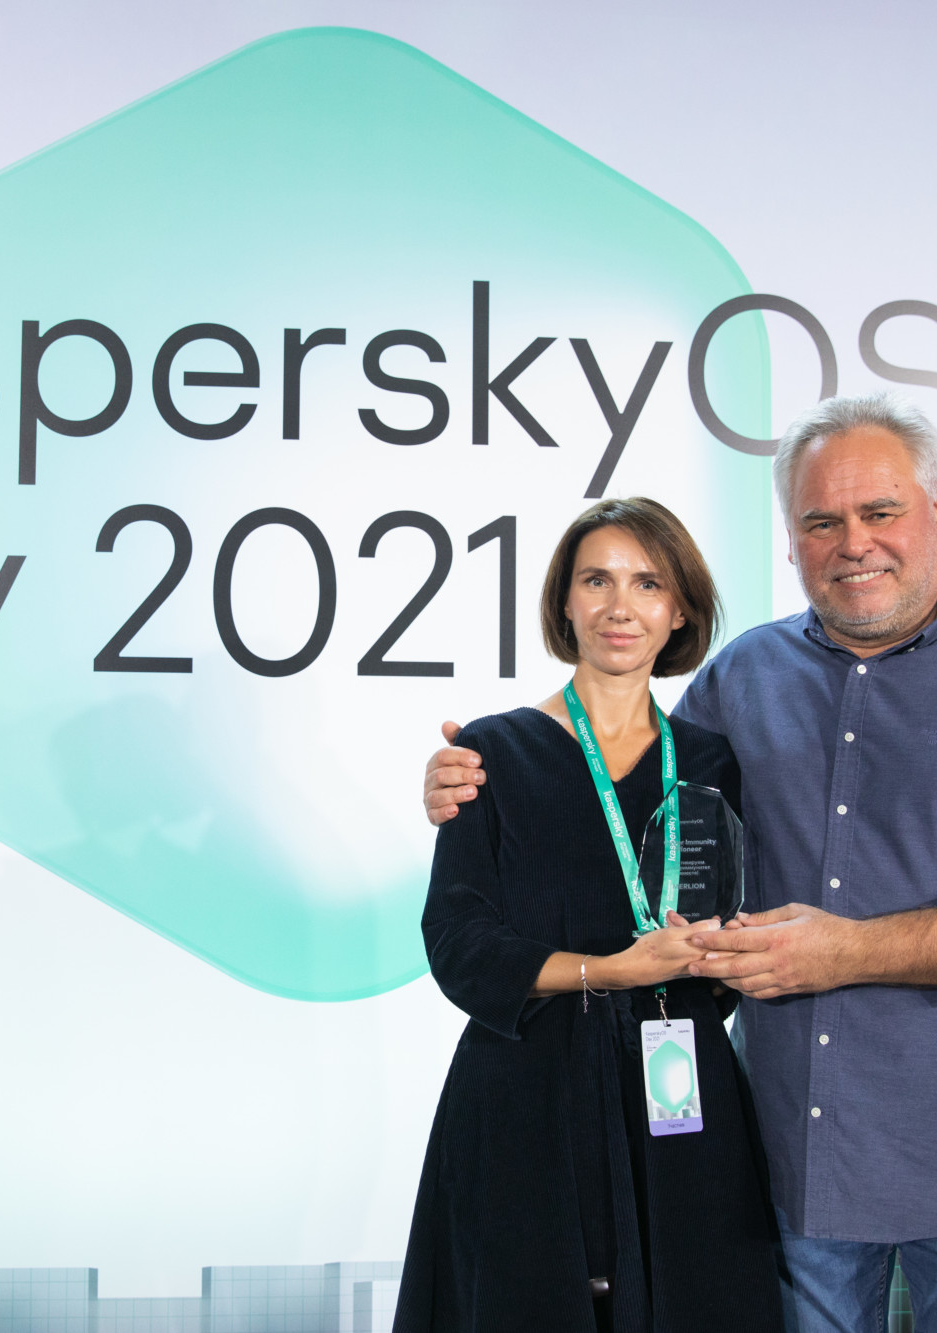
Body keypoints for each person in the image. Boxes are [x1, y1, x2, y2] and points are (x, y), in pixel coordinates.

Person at [422, 393, 937, 1333]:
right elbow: (621, 819)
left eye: (881, 511)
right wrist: (476, 781)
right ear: (791, 542)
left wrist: (851, 950)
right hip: (792, 1176)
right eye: (821, 520)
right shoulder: (739, 681)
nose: (854, 542)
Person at [394, 498, 784, 1333]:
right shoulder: (490, 753)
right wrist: (609, 971)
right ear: (564, 602)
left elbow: (739, 924)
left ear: (679, 611)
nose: (620, 606)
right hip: (526, 1095)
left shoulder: (712, 762)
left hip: (682, 1095)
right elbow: (458, 942)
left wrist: (719, 956)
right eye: (596, 580)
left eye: (648, 583)